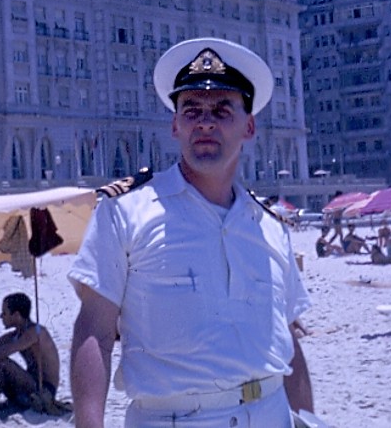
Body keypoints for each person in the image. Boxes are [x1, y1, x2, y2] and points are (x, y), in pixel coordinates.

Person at [68, 38, 314, 427]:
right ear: (175, 125)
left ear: (249, 126)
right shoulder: (126, 213)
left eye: (221, 110)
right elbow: (94, 330)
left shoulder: (269, 226)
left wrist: (306, 419)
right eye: (192, 110)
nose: (205, 122)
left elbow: (286, 343)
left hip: (270, 413)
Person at [0, 292, 61, 413]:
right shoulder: (17, 334)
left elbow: (2, 353)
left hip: (43, 389)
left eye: (4, 313)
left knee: (0, 363)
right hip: (27, 386)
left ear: (16, 315)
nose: (1, 316)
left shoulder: (34, 333)